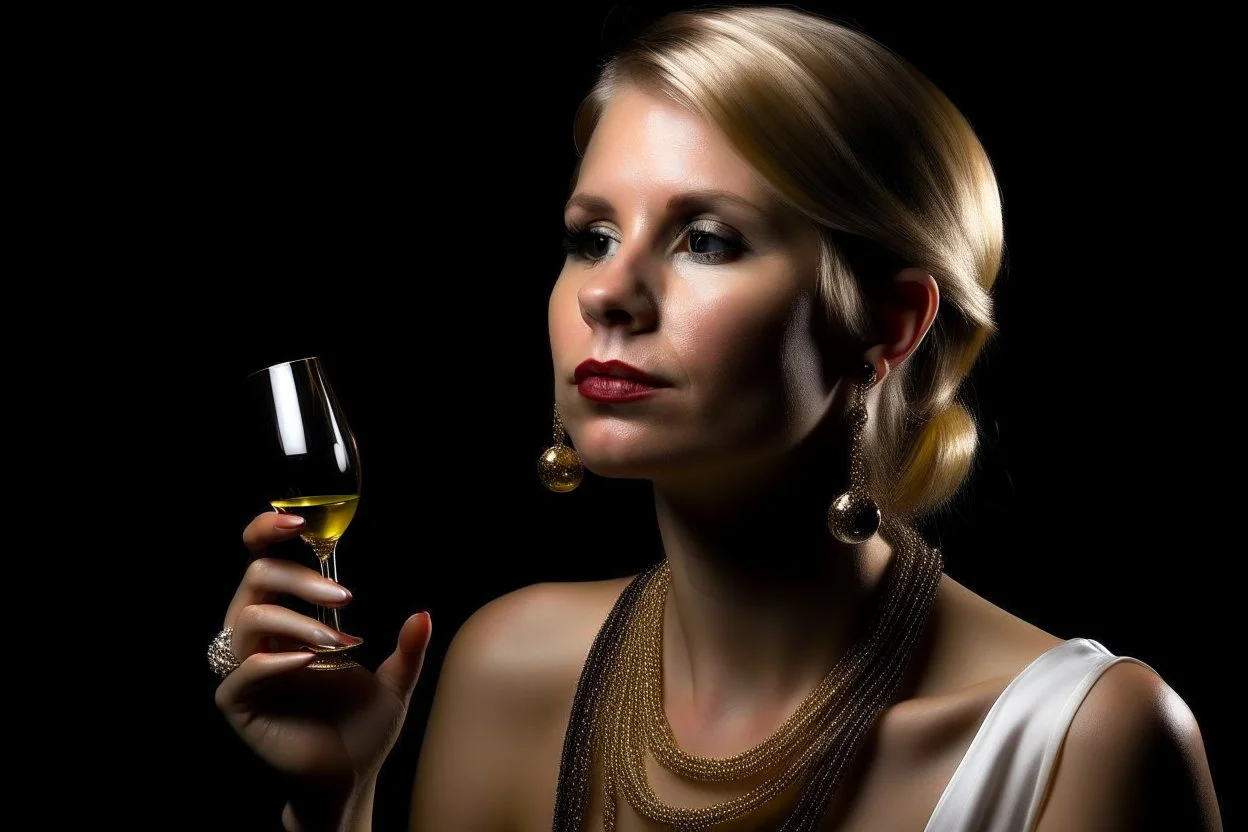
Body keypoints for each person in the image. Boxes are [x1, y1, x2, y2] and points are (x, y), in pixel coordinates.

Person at [211, 6, 1223, 830]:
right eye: (591, 235)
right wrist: (333, 804)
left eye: (706, 240)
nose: (611, 294)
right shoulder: (502, 670)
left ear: (889, 322)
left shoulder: (1088, 744)